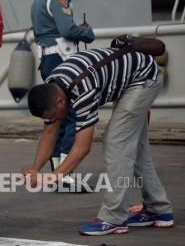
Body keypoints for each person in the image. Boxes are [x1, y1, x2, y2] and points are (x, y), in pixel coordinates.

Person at [22, 46, 174, 235]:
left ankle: (113, 218)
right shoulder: (51, 88)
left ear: (60, 102)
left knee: (115, 142)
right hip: (131, 78)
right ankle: (158, 210)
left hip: (143, 78)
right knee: (135, 147)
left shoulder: (81, 89)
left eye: (53, 114)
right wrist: (36, 168)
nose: (54, 118)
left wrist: (53, 176)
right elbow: (50, 130)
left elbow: (82, 147)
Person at [30, 0, 95, 187]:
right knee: (72, 114)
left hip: (48, 60)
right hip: (63, 60)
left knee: (56, 118)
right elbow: (67, 29)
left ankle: (56, 171)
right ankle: (67, 175)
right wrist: (87, 33)